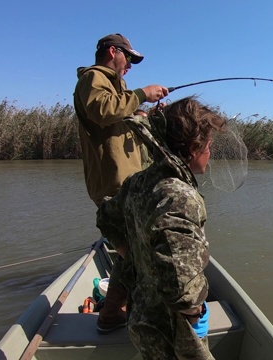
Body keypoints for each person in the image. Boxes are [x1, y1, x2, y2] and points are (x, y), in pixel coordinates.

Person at [97, 96, 223, 359]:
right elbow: (181, 290)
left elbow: (106, 219)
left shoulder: (138, 182)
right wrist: (197, 311)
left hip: (141, 317)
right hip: (174, 334)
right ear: (193, 148)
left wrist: (130, 256)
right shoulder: (180, 197)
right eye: (208, 146)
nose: (210, 154)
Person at [73, 33, 169, 334]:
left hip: (129, 184)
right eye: (128, 58)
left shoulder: (118, 90)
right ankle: (116, 314)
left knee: (134, 255)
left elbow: (124, 123)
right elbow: (103, 111)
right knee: (136, 256)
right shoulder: (93, 78)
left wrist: (145, 113)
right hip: (113, 186)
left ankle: (113, 313)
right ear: (113, 52)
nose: (129, 66)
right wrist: (142, 94)